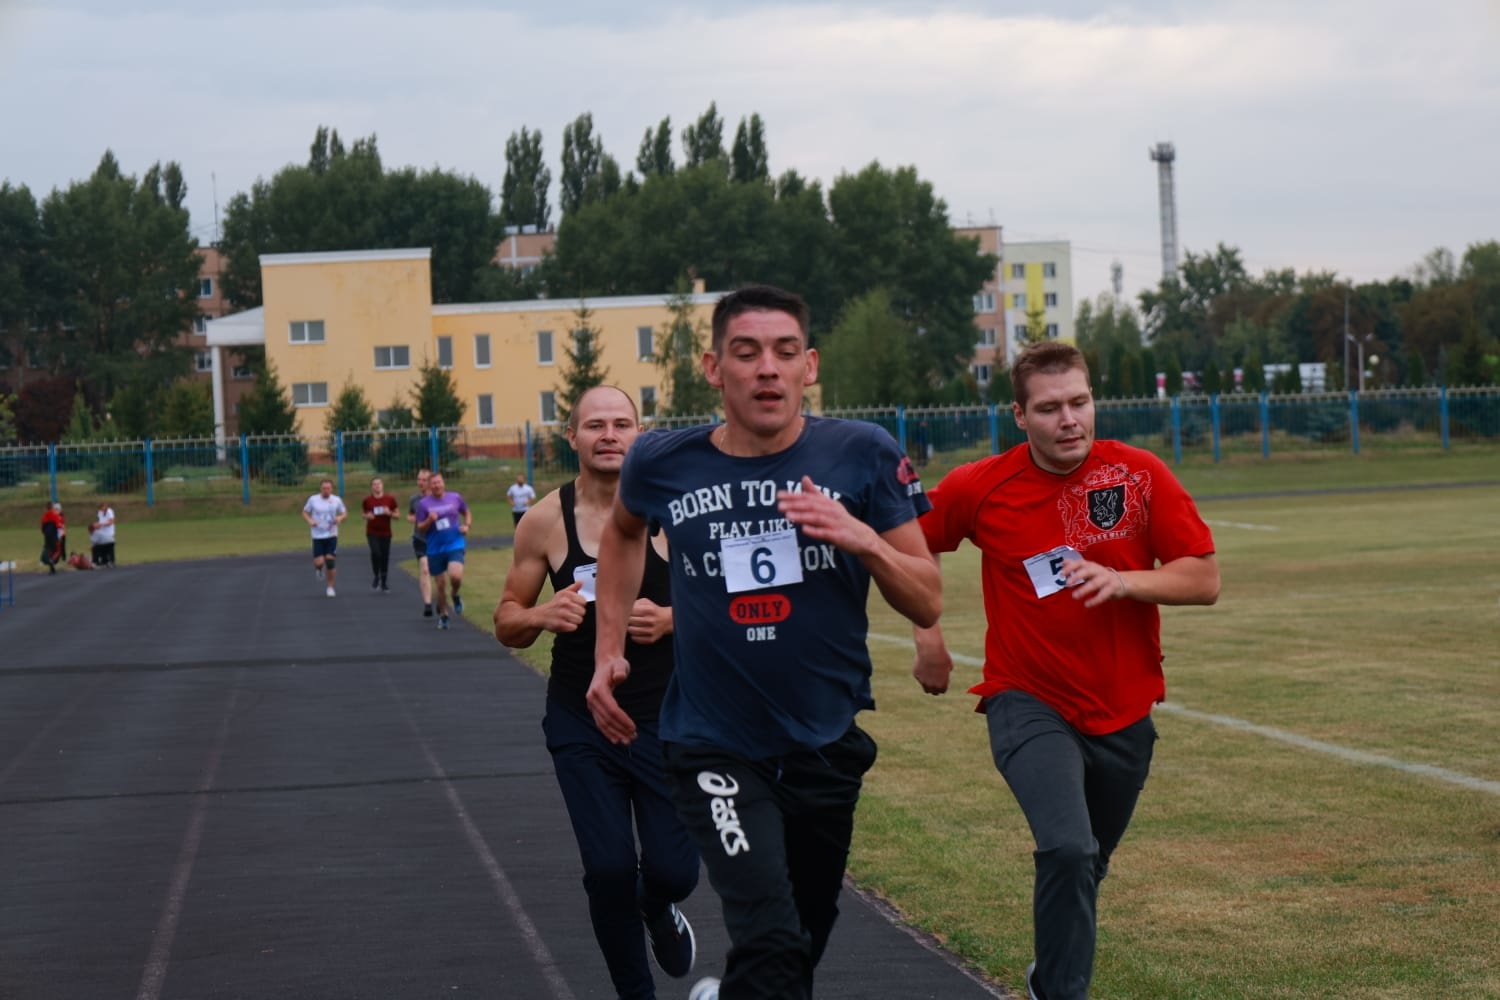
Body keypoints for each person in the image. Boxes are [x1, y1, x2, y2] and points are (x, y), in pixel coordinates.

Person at [587, 284, 942, 1000]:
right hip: (712, 742)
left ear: (809, 366)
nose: (767, 370)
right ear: (714, 369)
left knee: (797, 949)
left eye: (784, 353)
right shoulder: (661, 461)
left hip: (824, 739)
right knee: (770, 938)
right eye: (746, 354)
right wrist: (608, 647)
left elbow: (927, 594)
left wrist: (863, 539)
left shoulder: (862, 455)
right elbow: (622, 533)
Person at [911, 341, 1220, 1000]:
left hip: (1125, 712)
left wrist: (1123, 582)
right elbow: (905, 538)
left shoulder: (1137, 475)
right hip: (1027, 700)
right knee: (1068, 849)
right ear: (1020, 416)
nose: (1069, 420)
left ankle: (1048, 980)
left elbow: (1204, 578)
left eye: (1079, 402)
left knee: (1087, 865)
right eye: (1050, 408)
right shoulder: (980, 485)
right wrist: (928, 633)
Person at [495, 385, 699, 1000]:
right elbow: (507, 619)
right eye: (595, 425)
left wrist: (672, 620)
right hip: (582, 719)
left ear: (641, 433)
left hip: (668, 719)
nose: (609, 434)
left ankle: (658, 906)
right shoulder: (545, 520)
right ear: (572, 437)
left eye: (622, 424)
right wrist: (540, 616)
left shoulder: (679, 511)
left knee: (673, 872)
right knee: (608, 870)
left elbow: (729, 608)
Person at [414, 472, 470, 630]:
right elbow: (420, 527)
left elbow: (466, 511)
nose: (437, 485)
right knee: (440, 585)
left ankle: (455, 594)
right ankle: (444, 615)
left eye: (439, 482)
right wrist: (429, 520)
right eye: (433, 483)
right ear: (429, 486)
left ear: (443, 483)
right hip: (435, 549)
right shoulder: (424, 504)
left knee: (456, 576)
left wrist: (467, 525)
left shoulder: (455, 498)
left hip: (455, 543)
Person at [301, 479, 348, 597]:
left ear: (331, 489)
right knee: (319, 562)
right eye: (323, 488)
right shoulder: (313, 499)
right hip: (317, 535)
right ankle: (319, 569)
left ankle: (330, 587)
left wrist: (340, 518)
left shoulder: (336, 500)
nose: (326, 490)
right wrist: (310, 520)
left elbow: (344, 513)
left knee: (330, 561)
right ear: (320, 488)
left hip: (331, 534)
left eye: (328, 488)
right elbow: (305, 512)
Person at [407, 469, 435, 617]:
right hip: (420, 539)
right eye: (419, 479)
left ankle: (442, 599)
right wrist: (412, 519)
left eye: (424, 480)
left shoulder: (437, 498)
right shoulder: (414, 499)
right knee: (424, 569)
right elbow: (410, 514)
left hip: (436, 539)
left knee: (437, 573)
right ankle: (428, 604)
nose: (420, 483)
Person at [362, 477, 394, 592]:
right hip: (372, 531)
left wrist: (389, 513)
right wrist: (367, 516)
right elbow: (364, 514)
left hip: (386, 532)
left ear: (382, 485)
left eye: (379, 484)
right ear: (372, 487)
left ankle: (384, 582)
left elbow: (397, 514)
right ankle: (376, 575)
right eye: (374, 484)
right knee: (376, 553)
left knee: (384, 556)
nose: (377, 486)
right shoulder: (367, 500)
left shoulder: (389, 499)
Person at [90, 500, 116, 567]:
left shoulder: (109, 511)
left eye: (102, 507)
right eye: (100, 508)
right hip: (102, 531)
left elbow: (111, 522)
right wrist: (97, 525)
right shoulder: (100, 512)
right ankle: (104, 560)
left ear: (105, 506)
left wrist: (101, 524)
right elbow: (100, 520)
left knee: (109, 545)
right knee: (102, 546)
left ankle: (111, 561)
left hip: (109, 531)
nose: (101, 509)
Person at [40, 501, 63, 574]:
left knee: (49, 552)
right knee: (57, 551)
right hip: (54, 536)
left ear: (46, 508)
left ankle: (51, 568)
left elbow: (42, 528)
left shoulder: (44, 517)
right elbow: (59, 527)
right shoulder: (55, 516)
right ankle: (52, 562)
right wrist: (60, 537)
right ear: (52, 507)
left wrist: (46, 534)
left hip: (47, 537)